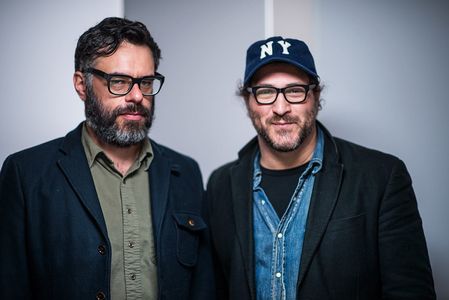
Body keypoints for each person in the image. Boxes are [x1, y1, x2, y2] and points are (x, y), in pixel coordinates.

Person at [0, 17, 214, 300]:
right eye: (119, 82)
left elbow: (202, 287)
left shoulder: (185, 172)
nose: (137, 96)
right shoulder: (25, 174)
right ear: (82, 85)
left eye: (146, 82)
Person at [206, 36, 436, 299]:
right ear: (249, 102)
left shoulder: (381, 177)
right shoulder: (220, 185)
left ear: (315, 95)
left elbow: (410, 291)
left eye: (294, 90)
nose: (281, 108)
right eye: (266, 92)